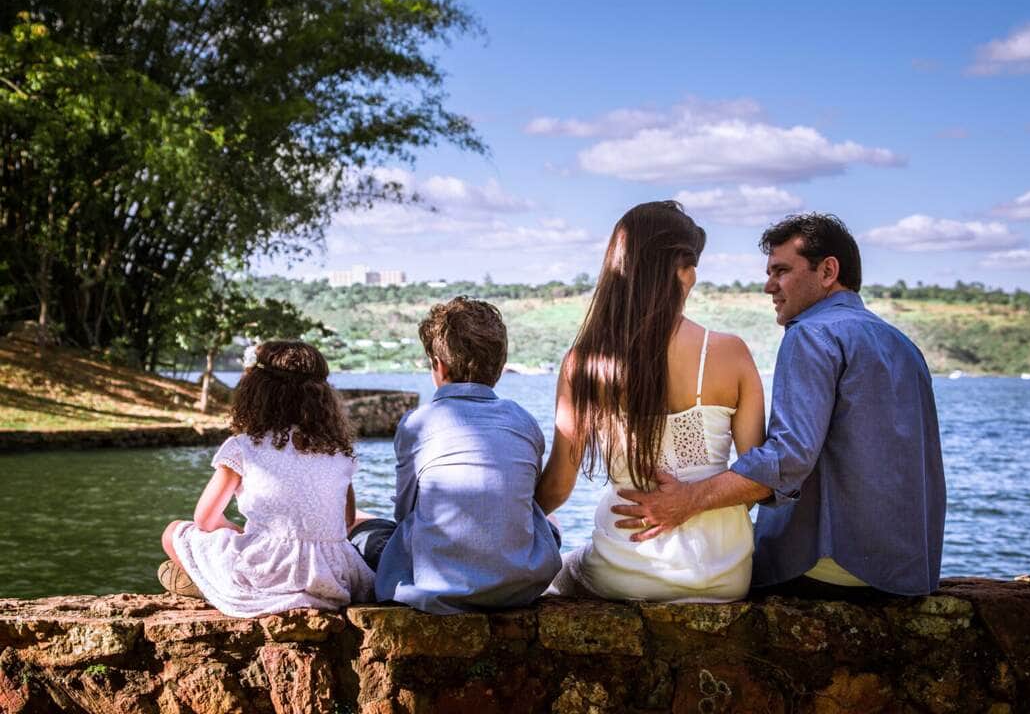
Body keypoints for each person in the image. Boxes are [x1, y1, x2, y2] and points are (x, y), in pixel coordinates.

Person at [612, 213, 946, 597]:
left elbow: (788, 458)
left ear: (828, 271)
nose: (769, 286)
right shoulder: (903, 345)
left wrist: (688, 500)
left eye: (781, 271)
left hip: (832, 567)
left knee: (701, 577)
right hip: (904, 571)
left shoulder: (810, 334)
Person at [538, 200, 766, 602]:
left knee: (558, 577)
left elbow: (558, 485)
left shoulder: (585, 362)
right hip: (725, 572)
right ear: (686, 273)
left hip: (626, 568)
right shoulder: (731, 353)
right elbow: (761, 479)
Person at [349, 296, 562, 615]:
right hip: (520, 586)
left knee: (364, 529)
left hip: (437, 587)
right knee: (548, 519)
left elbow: (404, 512)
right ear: (500, 368)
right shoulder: (524, 421)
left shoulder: (417, 423)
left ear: (439, 365)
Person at [159, 341, 374, 617]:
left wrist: (239, 533)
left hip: (266, 570)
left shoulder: (243, 447)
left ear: (256, 393)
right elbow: (345, 522)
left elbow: (205, 520)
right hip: (330, 577)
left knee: (173, 532)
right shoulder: (339, 453)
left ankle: (214, 587)